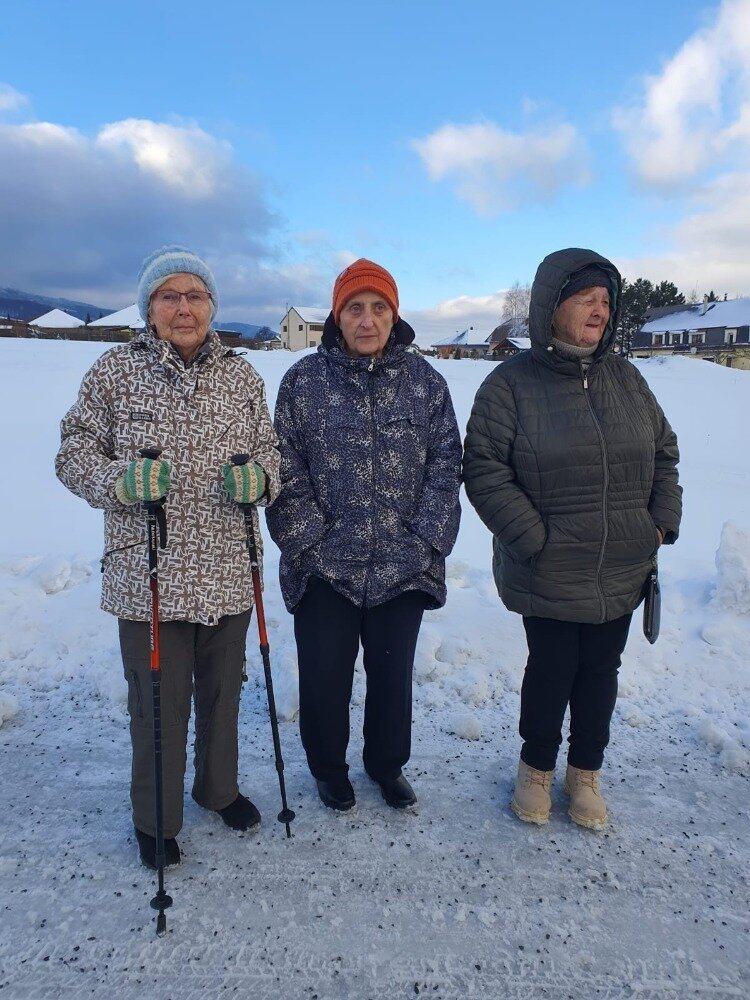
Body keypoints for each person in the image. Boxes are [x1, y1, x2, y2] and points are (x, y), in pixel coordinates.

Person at [56, 245, 280, 868]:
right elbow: (72, 452)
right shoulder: (114, 372)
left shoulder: (242, 377)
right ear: (148, 306)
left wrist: (260, 480)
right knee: (157, 704)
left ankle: (218, 791)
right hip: (148, 573)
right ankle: (155, 819)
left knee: (223, 696)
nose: (184, 308)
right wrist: (120, 481)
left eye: (196, 296)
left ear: (212, 306)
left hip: (228, 569)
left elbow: (271, 452)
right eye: (169, 296)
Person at [463, 248, 682, 830]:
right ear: (551, 307)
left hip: (621, 563)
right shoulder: (510, 385)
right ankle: (536, 769)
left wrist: (659, 522)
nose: (599, 310)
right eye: (586, 298)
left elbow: (664, 453)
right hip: (550, 566)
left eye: (605, 300)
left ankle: (585, 773)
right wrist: (534, 540)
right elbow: (483, 469)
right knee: (552, 668)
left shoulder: (628, 379)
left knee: (601, 671)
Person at [266, 259, 462, 812]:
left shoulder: (426, 384)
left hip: (403, 564)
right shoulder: (302, 383)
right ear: (337, 316)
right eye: (355, 308)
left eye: (379, 308)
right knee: (324, 677)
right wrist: (309, 543)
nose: (367, 320)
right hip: (324, 566)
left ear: (394, 316)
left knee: (392, 678)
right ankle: (329, 769)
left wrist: (426, 541)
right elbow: (284, 466)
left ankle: (387, 764)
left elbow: (447, 464)